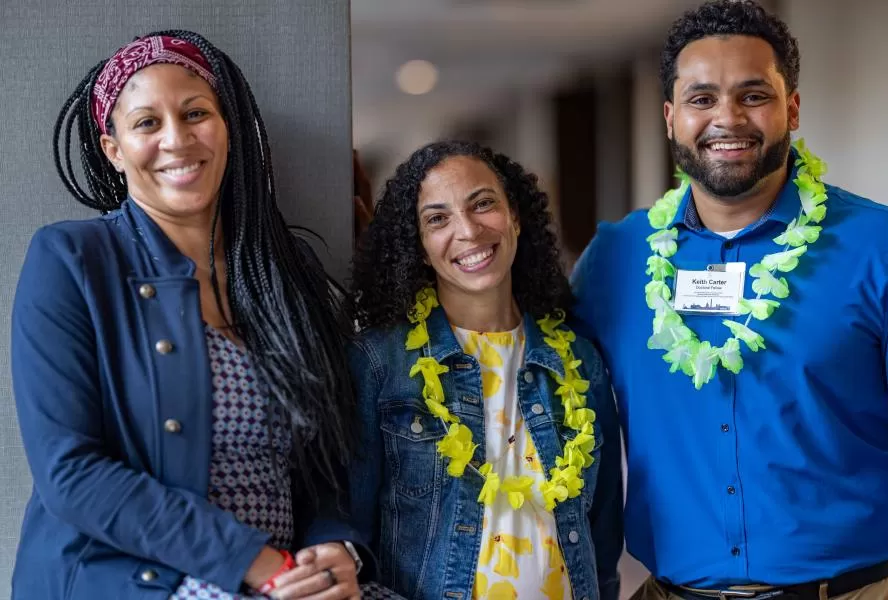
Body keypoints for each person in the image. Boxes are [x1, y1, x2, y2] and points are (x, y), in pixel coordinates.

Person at [11, 31, 369, 599]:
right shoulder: (71, 259)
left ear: (228, 127)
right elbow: (71, 474)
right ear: (114, 149)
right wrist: (256, 563)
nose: (177, 139)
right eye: (147, 123)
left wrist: (332, 549)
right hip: (135, 576)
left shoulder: (283, 269)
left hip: (288, 578)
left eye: (195, 113)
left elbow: (324, 457)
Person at [571, 1, 888, 599]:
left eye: (754, 95)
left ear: (792, 108)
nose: (727, 118)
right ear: (670, 118)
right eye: (701, 99)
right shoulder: (614, 261)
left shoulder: (882, 249)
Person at [347, 140, 623, 600]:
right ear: (418, 244)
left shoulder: (579, 361)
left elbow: (603, 532)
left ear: (514, 215)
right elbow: (351, 537)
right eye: (438, 219)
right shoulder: (381, 363)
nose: (469, 231)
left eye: (483, 205)